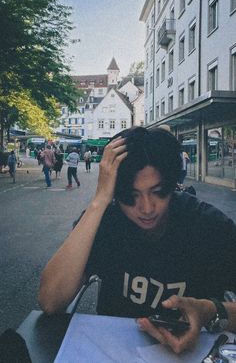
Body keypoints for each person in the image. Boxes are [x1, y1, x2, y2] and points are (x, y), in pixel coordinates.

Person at [38, 127, 236, 354]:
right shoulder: (107, 222)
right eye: (131, 196)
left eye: (158, 191)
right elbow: (50, 300)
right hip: (113, 352)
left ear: (173, 184)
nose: (147, 208)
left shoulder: (208, 225)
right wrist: (99, 201)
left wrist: (210, 311)